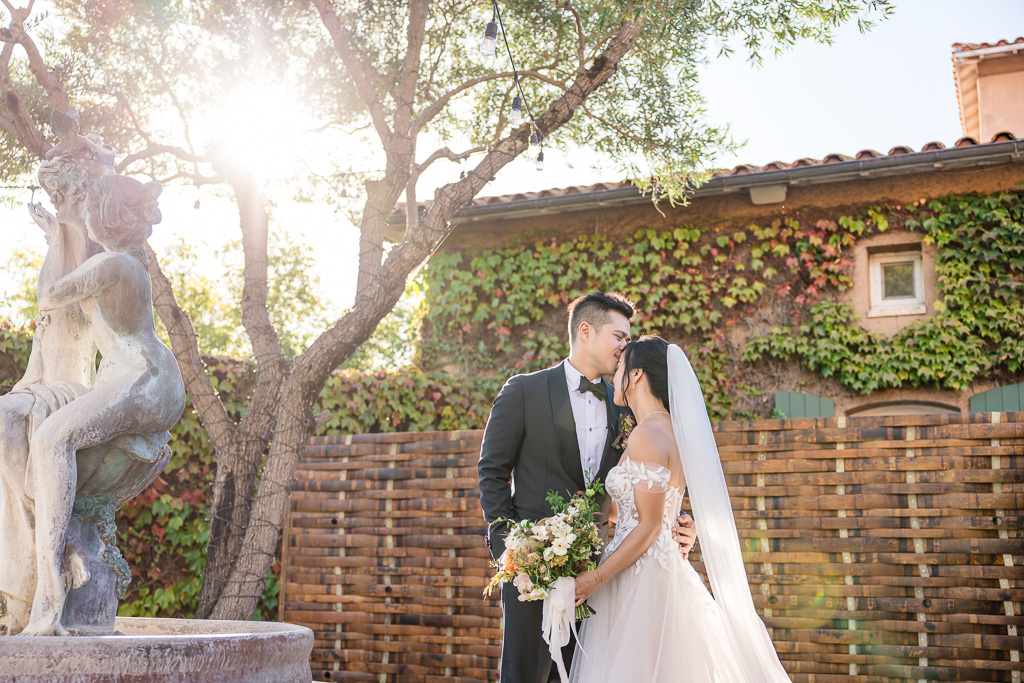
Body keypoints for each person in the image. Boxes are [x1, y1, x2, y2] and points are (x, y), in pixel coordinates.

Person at [478, 293, 697, 683]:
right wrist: (509, 552)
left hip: (601, 576)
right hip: (532, 571)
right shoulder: (524, 391)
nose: (624, 348)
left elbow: (634, 495)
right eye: (619, 337)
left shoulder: (627, 411)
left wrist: (675, 523)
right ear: (585, 331)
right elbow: (492, 473)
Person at [17, 174, 185, 636]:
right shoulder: (123, 264)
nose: (84, 214)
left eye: (89, 206)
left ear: (106, 213)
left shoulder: (115, 265)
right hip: (147, 378)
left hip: (144, 380)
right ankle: (66, 555)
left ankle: (50, 591)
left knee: (52, 438)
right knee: (52, 439)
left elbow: (50, 295)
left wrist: (56, 239)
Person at [569, 336, 791, 682]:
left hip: (640, 576)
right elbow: (634, 512)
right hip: (654, 566)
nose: (615, 375)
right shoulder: (670, 431)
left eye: (620, 368)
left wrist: (593, 580)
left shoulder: (647, 435)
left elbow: (650, 525)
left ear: (637, 375)